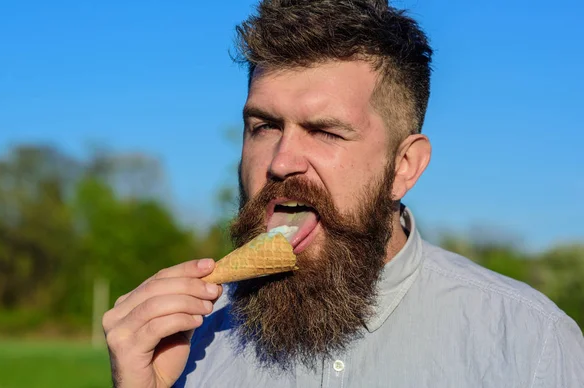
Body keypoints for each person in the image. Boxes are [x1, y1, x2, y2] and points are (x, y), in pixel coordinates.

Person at [102, 0, 584, 387]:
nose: (281, 161)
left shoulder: (530, 345)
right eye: (264, 125)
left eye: (326, 131)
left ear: (405, 166)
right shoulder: (187, 343)